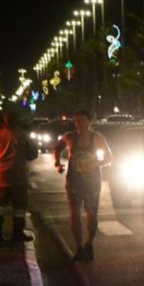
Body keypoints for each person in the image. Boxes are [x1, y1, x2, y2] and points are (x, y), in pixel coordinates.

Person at [54, 109, 112, 261]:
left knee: (92, 214)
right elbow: (57, 148)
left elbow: (109, 157)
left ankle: (89, 243)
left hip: (92, 182)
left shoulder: (97, 137)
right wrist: (57, 164)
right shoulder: (69, 137)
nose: (80, 124)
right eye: (78, 121)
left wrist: (95, 163)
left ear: (89, 122)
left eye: (83, 121)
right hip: (74, 181)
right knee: (74, 213)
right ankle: (79, 247)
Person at [0, 112, 38, 250]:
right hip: (19, 178)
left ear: (3, 122)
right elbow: (33, 153)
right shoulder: (22, 136)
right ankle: (17, 234)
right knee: (19, 208)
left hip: (0, 178)